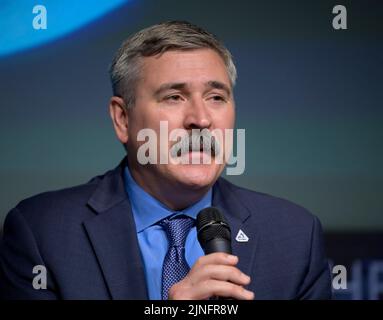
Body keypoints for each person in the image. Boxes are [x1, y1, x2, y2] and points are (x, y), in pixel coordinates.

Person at [0, 21, 331, 300]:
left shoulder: (295, 237)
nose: (200, 119)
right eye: (174, 97)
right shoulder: (43, 233)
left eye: (216, 97)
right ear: (122, 119)